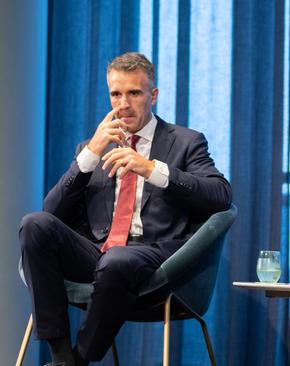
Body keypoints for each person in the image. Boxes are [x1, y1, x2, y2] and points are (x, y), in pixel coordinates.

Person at [20, 52, 232, 365]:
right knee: (34, 224)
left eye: (134, 93)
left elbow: (220, 196)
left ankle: (78, 360)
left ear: (153, 95)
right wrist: (91, 153)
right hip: (97, 252)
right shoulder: (91, 147)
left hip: (154, 255)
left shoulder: (186, 142)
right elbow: (52, 212)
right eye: (116, 94)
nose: (123, 104)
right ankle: (61, 354)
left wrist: (153, 170)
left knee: (117, 259)